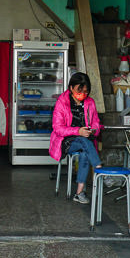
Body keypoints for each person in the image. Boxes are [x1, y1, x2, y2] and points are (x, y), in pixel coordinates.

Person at [49, 72, 103, 204]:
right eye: (79, 90)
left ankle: (79, 193)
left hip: (86, 140)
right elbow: (57, 128)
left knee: (85, 151)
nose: (83, 94)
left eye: (85, 91)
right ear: (71, 88)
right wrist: (78, 131)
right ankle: (99, 169)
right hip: (66, 141)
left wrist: (93, 130)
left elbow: (96, 122)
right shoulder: (62, 103)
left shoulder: (90, 102)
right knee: (84, 141)